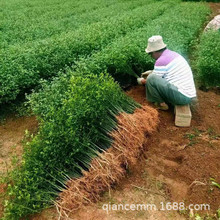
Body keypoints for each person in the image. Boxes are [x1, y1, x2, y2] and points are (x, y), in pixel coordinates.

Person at [138, 35, 197, 110]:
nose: (151, 56)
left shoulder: (161, 61)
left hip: (181, 97)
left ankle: (160, 104)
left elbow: (151, 80)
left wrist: (141, 81)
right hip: (188, 94)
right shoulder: (172, 54)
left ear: (155, 51)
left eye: (150, 54)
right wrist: (152, 72)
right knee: (152, 76)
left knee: (151, 78)